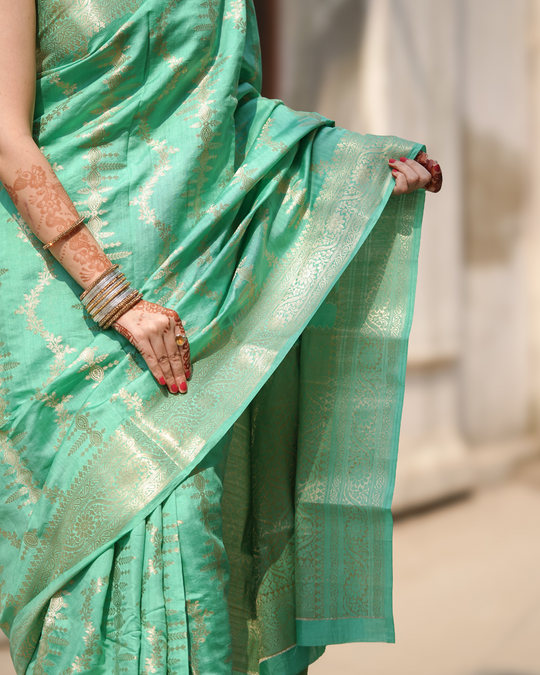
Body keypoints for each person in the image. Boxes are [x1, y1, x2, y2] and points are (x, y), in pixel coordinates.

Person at [0, 1, 442, 673]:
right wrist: (113, 296)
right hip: (56, 305)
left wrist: (356, 169)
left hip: (189, 302)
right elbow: (6, 135)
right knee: (81, 575)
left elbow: (238, 122)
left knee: (190, 532)